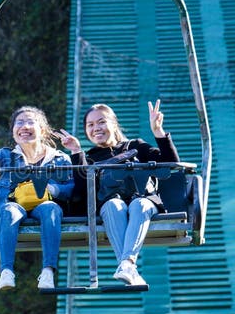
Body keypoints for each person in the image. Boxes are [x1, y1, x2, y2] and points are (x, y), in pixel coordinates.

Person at [56, 100, 179, 288]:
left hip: (143, 200)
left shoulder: (135, 146)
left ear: (113, 124)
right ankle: (128, 267)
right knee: (114, 205)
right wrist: (76, 152)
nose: (96, 128)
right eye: (90, 125)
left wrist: (158, 132)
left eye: (101, 122)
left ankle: (127, 264)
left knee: (140, 204)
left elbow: (170, 164)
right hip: (111, 206)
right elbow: (82, 191)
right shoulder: (89, 158)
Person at [0, 105, 74, 291]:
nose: (24, 126)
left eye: (30, 122)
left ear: (42, 129)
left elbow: (71, 188)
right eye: (20, 122)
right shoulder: (6, 156)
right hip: (14, 205)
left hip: (45, 205)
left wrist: (53, 189)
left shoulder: (59, 159)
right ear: (14, 131)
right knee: (8, 210)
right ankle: (6, 271)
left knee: (51, 208)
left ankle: (48, 271)